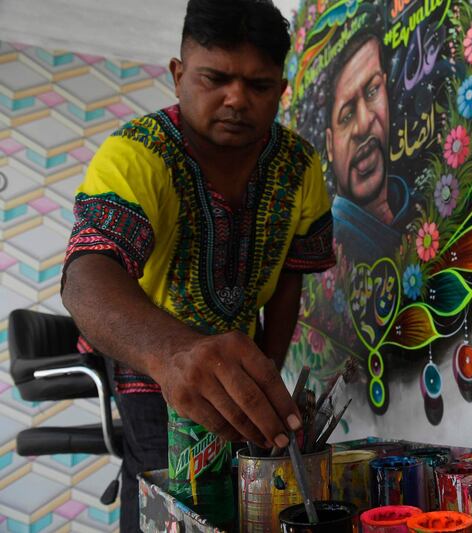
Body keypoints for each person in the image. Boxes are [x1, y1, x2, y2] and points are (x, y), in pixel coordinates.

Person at [60, 0, 335, 529]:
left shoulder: (300, 166)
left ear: (281, 90)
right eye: (216, 78)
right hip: (147, 365)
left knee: (250, 496)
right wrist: (172, 354)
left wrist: (269, 365)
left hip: (241, 358)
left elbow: (291, 274)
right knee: (166, 495)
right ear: (179, 75)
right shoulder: (136, 154)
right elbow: (86, 274)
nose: (236, 98)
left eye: (258, 85)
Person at [325, 29, 412, 262]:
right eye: (346, 115)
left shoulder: (408, 203)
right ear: (330, 145)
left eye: (373, 91)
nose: (363, 125)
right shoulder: (336, 246)